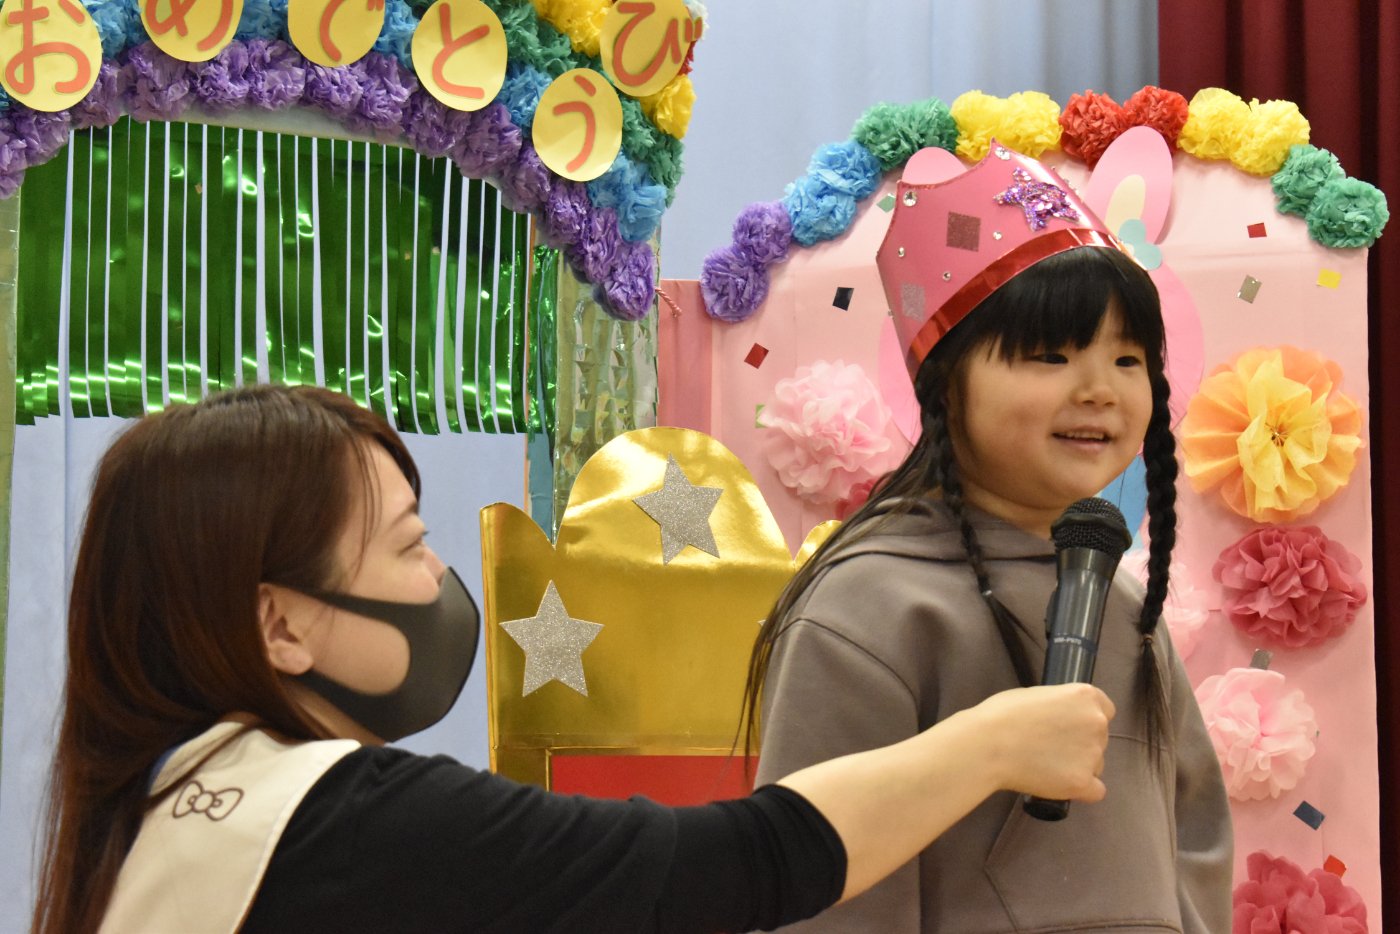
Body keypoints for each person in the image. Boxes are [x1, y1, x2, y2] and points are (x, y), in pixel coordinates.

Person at [31, 383, 1115, 934]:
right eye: (407, 547)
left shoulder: (161, 811)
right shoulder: (342, 820)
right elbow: (731, 863)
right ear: (279, 625)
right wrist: (987, 743)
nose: (436, 579)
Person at [743, 146, 1234, 932]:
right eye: (1050, 355)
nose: (1099, 389)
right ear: (947, 385)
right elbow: (821, 879)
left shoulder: (1121, 604)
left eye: (1129, 358)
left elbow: (1195, 841)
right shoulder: (870, 608)